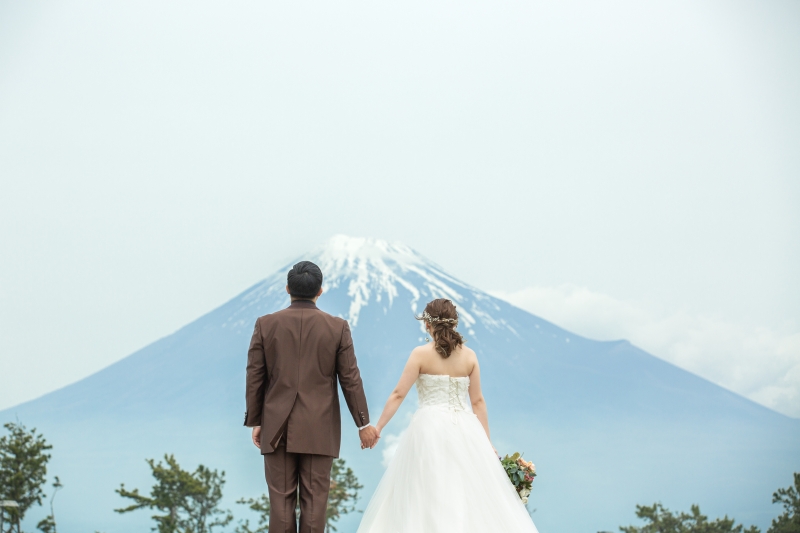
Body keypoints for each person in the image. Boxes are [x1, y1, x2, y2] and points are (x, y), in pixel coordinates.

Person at [357, 298, 539, 532]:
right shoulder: (470, 356)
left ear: (427, 325)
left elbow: (398, 394)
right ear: (455, 324)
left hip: (429, 428)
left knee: (425, 491)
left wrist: (378, 427)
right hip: (466, 428)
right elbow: (478, 401)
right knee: (466, 492)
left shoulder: (420, 354)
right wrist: (487, 442)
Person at [244, 260, 380, 533]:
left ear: (287, 288)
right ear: (320, 291)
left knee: (280, 504)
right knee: (315, 504)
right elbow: (350, 378)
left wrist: (257, 420)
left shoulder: (266, 324)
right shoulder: (337, 327)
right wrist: (363, 424)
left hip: (276, 428)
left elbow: (255, 376)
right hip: (319, 428)